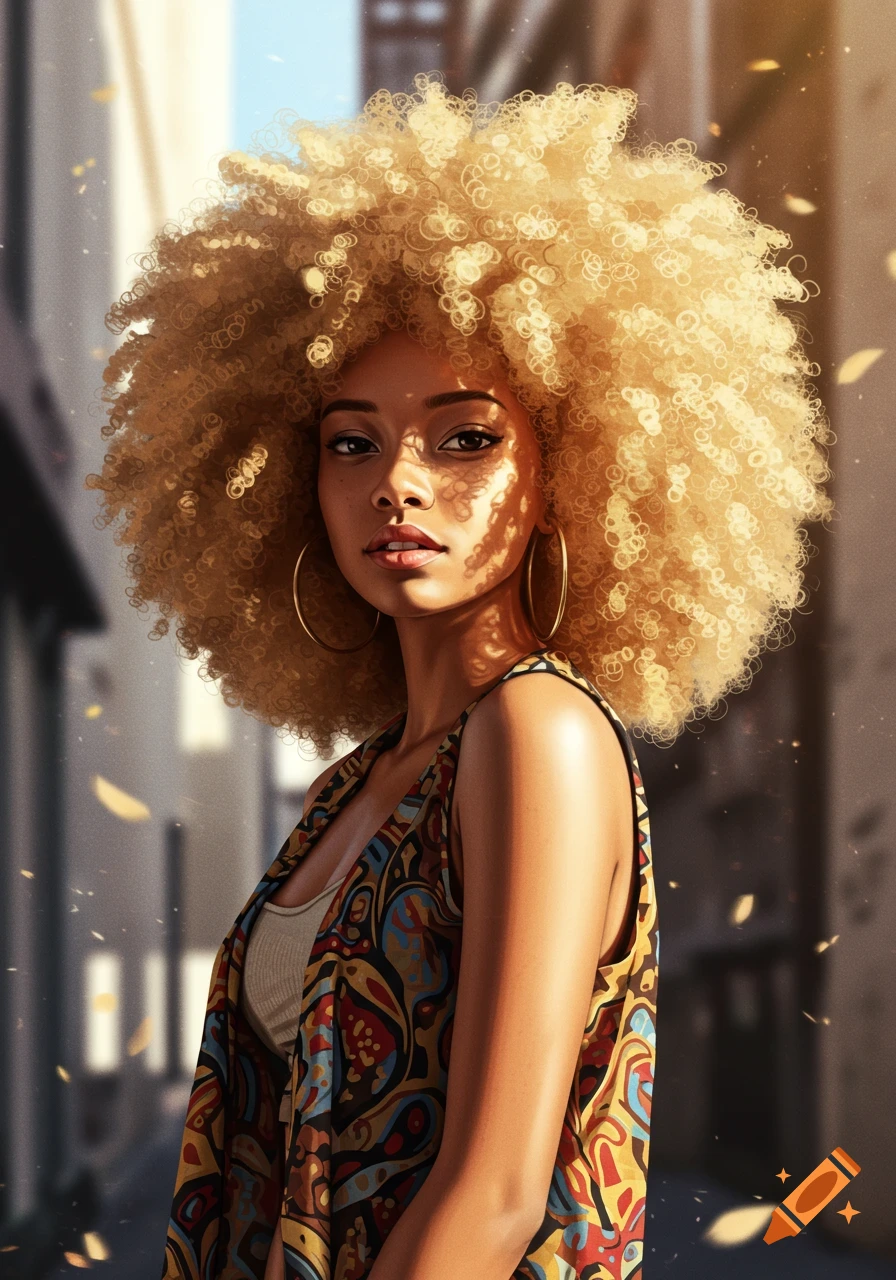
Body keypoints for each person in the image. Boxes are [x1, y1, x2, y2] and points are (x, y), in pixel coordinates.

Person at [88, 76, 831, 1280]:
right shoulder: (352, 787)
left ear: (569, 465)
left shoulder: (538, 734)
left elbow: (491, 1196)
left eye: (464, 435)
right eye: (350, 442)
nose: (398, 482)